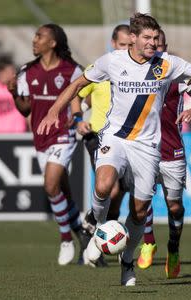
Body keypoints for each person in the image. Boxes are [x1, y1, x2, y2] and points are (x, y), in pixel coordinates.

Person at [36, 13, 191, 286]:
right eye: (148, 38)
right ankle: (95, 228)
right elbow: (79, 84)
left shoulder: (167, 64)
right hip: (115, 137)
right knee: (104, 185)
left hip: (148, 146)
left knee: (140, 211)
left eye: (155, 38)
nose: (153, 43)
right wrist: (55, 110)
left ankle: (127, 263)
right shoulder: (112, 61)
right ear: (132, 38)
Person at [136, 29, 191, 278]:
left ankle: (173, 248)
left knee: (174, 206)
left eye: (158, 43)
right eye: (150, 42)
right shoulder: (134, 73)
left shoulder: (179, 76)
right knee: (143, 199)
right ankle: (148, 241)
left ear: (165, 46)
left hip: (172, 151)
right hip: (144, 149)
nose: (154, 46)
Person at [8, 24, 89, 266]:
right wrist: (13, 93)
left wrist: (76, 117)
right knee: (62, 191)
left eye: (39, 36)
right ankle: (84, 236)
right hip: (40, 138)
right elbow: (25, 110)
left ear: (53, 43)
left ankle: (66, 239)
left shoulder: (72, 71)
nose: (34, 40)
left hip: (63, 135)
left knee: (51, 184)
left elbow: (84, 96)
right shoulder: (27, 71)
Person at [74, 25, 132, 266]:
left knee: (121, 194)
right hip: (97, 134)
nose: (126, 49)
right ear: (112, 43)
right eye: (122, 45)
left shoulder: (137, 71)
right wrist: (78, 119)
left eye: (130, 45)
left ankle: (94, 232)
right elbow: (77, 93)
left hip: (127, 138)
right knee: (112, 189)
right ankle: (92, 233)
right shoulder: (101, 67)